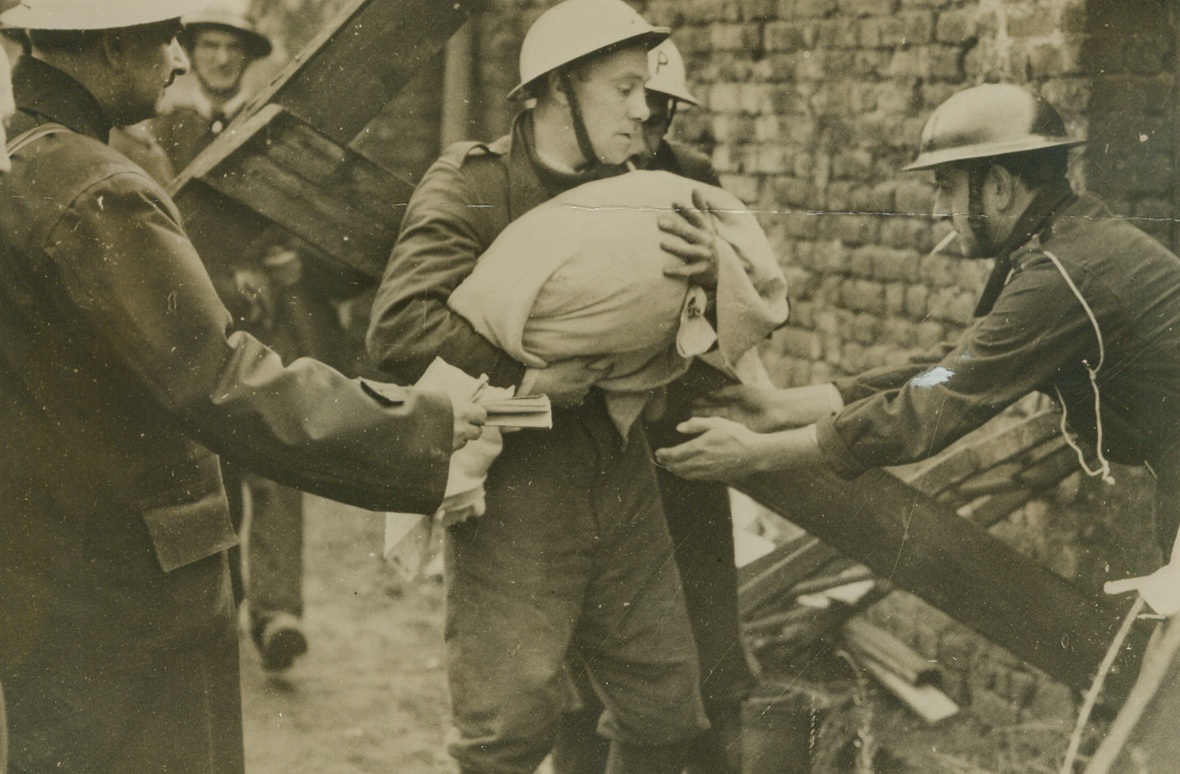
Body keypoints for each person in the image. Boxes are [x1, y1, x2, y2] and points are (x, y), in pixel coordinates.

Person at [0, 2, 485, 772]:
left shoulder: (22, 158)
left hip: (50, 581)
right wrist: (424, 422)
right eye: (165, 37)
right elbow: (220, 379)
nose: (180, 59)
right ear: (113, 43)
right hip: (129, 594)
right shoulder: (99, 188)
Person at [655, 85, 1180, 771]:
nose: (938, 209)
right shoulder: (1063, 243)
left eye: (946, 186)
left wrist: (757, 453)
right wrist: (786, 406)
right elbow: (946, 368)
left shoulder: (1061, 273)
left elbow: (930, 410)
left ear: (998, 185)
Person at [366, 1, 725, 772]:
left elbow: (699, 327)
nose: (644, 108)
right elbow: (400, 328)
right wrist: (529, 381)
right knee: (506, 729)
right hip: (516, 483)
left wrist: (712, 278)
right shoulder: (473, 185)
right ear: (559, 88)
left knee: (665, 710)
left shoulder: (644, 192)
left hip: (621, 470)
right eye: (625, 88)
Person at [551, 38, 754, 774]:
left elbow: (753, 294)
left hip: (674, 435)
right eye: (638, 104)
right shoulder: (564, 173)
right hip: (581, 435)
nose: (645, 124)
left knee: (702, 640)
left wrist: (719, 270)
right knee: (584, 654)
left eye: (663, 113)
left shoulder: (690, 177)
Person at [156, 6, 339, 672]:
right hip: (198, 326)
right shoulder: (164, 132)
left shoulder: (274, 132)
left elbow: (322, 224)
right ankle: (223, 609)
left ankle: (276, 614)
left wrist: (296, 266)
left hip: (272, 329)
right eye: (208, 45)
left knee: (279, 465)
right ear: (192, 53)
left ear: (249, 57)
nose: (221, 58)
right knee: (214, 474)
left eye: (233, 47)